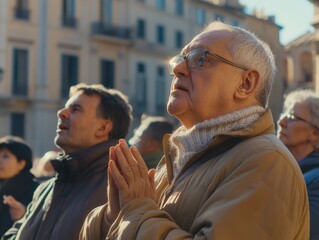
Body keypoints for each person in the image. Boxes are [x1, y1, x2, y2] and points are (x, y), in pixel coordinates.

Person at [80, 21, 309, 239]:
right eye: (180, 58)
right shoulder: (180, 156)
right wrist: (113, 215)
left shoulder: (267, 161)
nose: (178, 68)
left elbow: (139, 214)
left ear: (245, 84)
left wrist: (135, 211)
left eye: (200, 59)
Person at [2, 83, 132, 240]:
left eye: (75, 109)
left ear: (102, 128)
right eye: (65, 107)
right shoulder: (46, 188)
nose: (61, 113)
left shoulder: (121, 188)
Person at [277, 89, 319, 240]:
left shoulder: (316, 181)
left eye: (292, 117)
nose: (281, 122)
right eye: (284, 114)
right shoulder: (280, 169)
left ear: (314, 133)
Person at [0, 136, 38, 237]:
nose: (0, 160)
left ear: (21, 164)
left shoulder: (36, 190)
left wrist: (25, 216)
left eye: (5, 156)